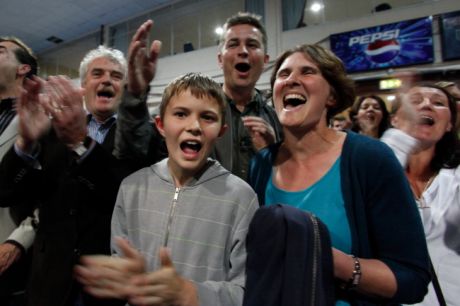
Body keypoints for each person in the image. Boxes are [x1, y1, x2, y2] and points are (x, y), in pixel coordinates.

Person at [248, 44, 431, 305]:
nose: (291, 81)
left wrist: (324, 258)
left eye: (307, 72)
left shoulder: (370, 159)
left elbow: (411, 278)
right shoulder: (261, 164)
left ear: (331, 96)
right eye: (283, 74)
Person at [75, 72, 259, 306]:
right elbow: (121, 264)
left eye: (207, 117)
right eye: (181, 114)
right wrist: (123, 278)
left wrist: (189, 293)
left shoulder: (242, 198)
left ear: (221, 131)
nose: (194, 126)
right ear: (161, 125)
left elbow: (248, 291)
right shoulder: (132, 188)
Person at [0, 45, 131, 306]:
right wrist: (25, 143)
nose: (106, 80)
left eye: (116, 76)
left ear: (124, 88)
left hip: (104, 284)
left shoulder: (140, 137)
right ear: (83, 84)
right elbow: (6, 193)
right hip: (48, 281)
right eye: (98, 74)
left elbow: (123, 196)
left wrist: (79, 143)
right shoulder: (50, 130)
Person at [114, 13, 283, 181]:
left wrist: (274, 155)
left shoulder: (278, 120)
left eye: (252, 45)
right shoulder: (186, 108)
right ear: (220, 59)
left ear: (266, 60)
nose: (243, 51)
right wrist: (134, 96)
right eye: (233, 44)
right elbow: (135, 152)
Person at [381, 84, 460, 305]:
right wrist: (399, 140)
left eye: (438, 103)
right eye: (415, 101)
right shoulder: (368, 171)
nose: (426, 104)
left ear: (449, 125)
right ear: (394, 120)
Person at [0, 36, 38, 306]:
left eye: (0, 51)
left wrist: (18, 241)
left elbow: (55, 191)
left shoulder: (42, 118)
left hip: (7, 254)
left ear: (22, 68)